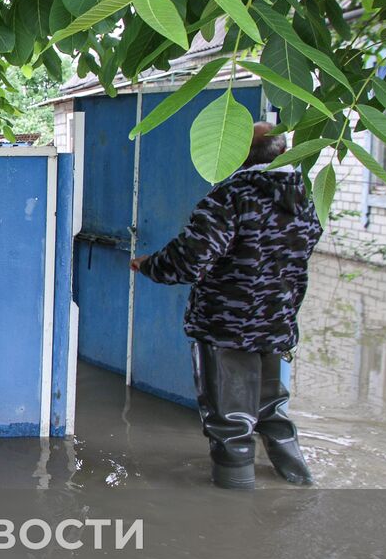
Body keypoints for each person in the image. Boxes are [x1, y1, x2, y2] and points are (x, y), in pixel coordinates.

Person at [131, 122, 323, 490]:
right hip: (279, 320)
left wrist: (149, 264)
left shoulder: (231, 197)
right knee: (271, 407)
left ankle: (235, 507)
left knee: (230, 419)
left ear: (235, 154)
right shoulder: (307, 195)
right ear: (282, 153)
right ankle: (298, 478)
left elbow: (190, 260)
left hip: (227, 324)